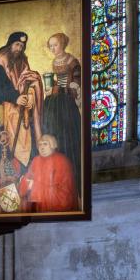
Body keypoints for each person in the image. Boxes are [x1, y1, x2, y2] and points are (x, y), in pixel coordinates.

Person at [40, 32, 82, 191]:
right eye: (50, 46)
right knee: (52, 131)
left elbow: (76, 82)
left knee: (67, 135)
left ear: (63, 44)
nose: (52, 48)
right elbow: (57, 80)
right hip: (54, 101)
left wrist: (61, 88)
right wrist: (51, 87)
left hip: (66, 102)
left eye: (55, 45)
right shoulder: (54, 62)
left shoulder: (72, 61)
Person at [0, 32, 42, 170]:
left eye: (22, 46)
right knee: (11, 138)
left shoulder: (22, 61)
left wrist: (30, 95)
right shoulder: (1, 60)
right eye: (17, 44)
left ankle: (25, 168)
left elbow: (27, 79)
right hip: (7, 104)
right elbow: (0, 86)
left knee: (27, 131)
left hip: (22, 102)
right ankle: (16, 167)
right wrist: (16, 97)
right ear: (10, 44)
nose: (19, 48)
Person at [18, 135, 77, 212]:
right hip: (38, 200)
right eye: (40, 145)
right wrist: (26, 184)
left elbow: (63, 191)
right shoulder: (36, 160)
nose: (42, 147)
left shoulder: (61, 161)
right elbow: (27, 178)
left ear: (52, 146)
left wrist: (34, 185)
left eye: (45, 144)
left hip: (59, 201)